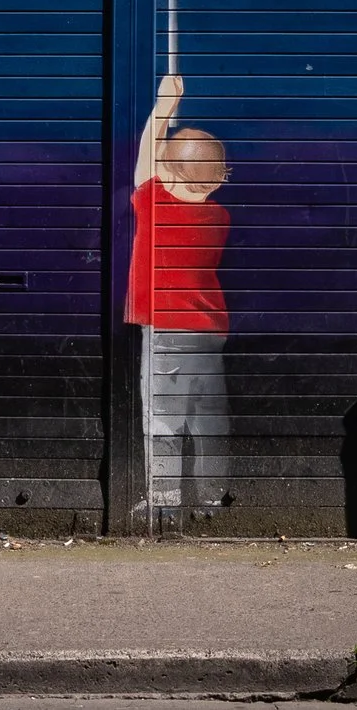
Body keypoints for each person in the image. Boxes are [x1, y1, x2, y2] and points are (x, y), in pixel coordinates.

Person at [127, 73, 231, 509]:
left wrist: (164, 106)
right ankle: (213, 497)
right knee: (208, 418)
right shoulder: (219, 219)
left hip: (167, 330)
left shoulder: (155, 207)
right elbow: (166, 168)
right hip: (208, 333)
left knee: (163, 419)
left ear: (170, 174)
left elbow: (146, 159)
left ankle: (165, 499)